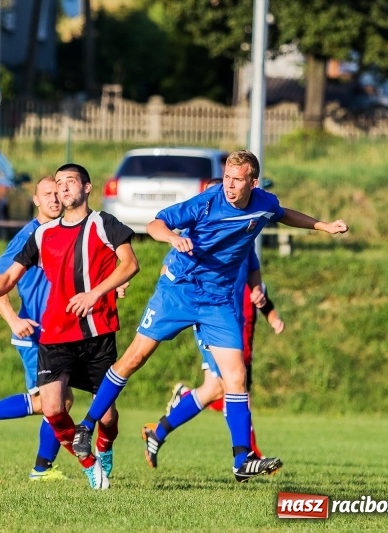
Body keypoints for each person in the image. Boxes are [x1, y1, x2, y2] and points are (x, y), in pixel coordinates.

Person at [71, 150, 348, 483]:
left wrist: (323, 226)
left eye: (237, 180)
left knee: (235, 377)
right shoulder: (205, 202)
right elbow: (155, 223)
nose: (230, 186)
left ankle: (241, 460)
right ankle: (86, 426)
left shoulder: (263, 202)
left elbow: (283, 213)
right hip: (179, 291)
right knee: (133, 358)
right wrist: (173, 237)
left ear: (253, 182)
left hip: (217, 301)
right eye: (227, 178)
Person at [0, 163, 139, 490]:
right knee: (54, 408)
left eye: (70, 182)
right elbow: (9, 277)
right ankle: (88, 463)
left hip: (97, 332)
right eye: (59, 184)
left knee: (109, 419)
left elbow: (130, 263)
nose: (63, 188)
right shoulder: (42, 234)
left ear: (87, 187)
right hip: (55, 333)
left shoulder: (104, 223)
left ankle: (103, 446)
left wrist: (97, 292)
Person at [0, 175, 74, 481]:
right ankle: (40, 467)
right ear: (36, 200)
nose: (54, 199)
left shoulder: (62, 233)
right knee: (55, 403)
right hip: (34, 333)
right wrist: (13, 320)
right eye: (47, 194)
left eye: (57, 193)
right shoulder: (29, 235)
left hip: (58, 332)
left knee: (60, 401)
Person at [148, 247, 285, 468]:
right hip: (211, 324)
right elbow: (167, 270)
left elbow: (254, 275)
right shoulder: (209, 235)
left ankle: (159, 431)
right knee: (235, 388)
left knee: (213, 389)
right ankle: (246, 458)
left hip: (231, 328)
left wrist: (259, 291)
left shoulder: (245, 239)